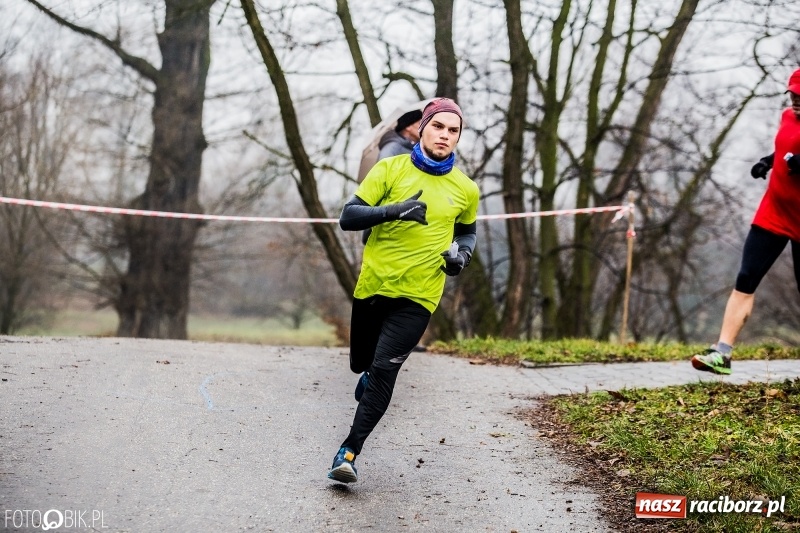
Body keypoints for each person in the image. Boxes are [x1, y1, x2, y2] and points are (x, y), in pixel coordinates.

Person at [328, 98, 479, 483]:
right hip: (374, 286)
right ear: (422, 128)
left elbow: (467, 231)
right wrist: (394, 210)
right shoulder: (389, 168)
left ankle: (348, 452)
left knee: (383, 371)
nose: (445, 135)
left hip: (420, 295)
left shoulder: (465, 188)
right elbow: (349, 216)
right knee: (362, 363)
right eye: (439, 127)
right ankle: (365, 376)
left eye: (453, 130)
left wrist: (461, 255)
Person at [691, 67, 800, 375]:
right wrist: (769, 161)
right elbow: (786, 147)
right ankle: (721, 353)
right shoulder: (788, 117)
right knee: (746, 277)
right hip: (775, 212)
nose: (796, 102)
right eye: (792, 95)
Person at [360, 109, 423, 245]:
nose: (423, 127)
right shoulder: (392, 148)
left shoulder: (415, 150)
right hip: (389, 216)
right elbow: (382, 181)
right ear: (408, 126)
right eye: (420, 123)